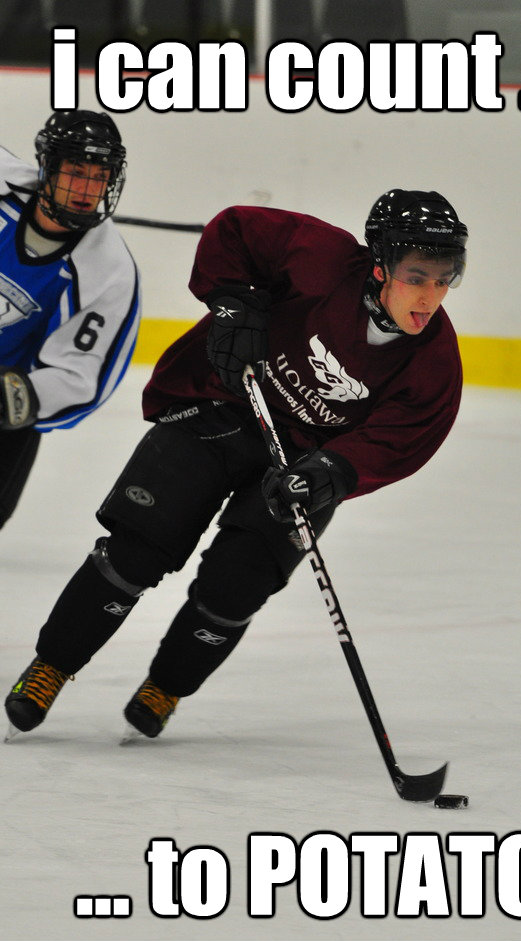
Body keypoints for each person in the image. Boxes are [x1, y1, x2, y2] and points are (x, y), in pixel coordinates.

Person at [4, 189, 467, 739]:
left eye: (445, 279)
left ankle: (166, 687)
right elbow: (235, 229)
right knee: (136, 547)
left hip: (301, 461)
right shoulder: (321, 259)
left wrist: (333, 471)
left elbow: (400, 439)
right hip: (219, 404)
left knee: (238, 585)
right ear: (379, 265)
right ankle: (52, 666)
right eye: (418, 276)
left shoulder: (433, 362)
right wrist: (233, 301)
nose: (430, 296)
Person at [0, 110, 141, 529]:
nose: (87, 189)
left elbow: (80, 377)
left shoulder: (109, 269)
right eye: (76, 171)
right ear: (47, 166)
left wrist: (12, 396)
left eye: (99, 176)